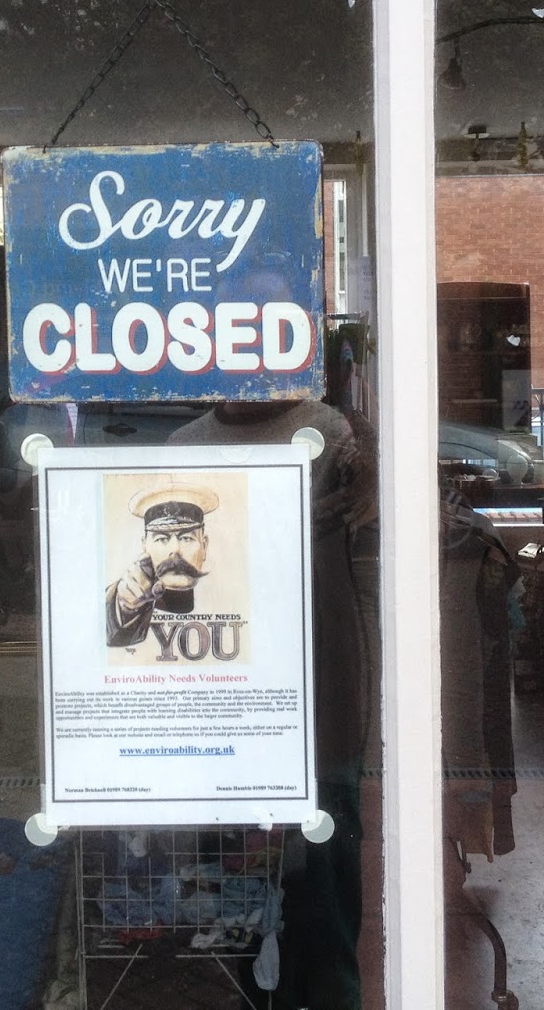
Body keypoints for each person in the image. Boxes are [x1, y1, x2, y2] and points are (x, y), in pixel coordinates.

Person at [171, 399, 375, 1010]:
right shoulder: (184, 448)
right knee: (240, 893)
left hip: (321, 689)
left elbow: (358, 561)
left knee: (327, 880)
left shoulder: (329, 433)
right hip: (224, 700)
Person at [104, 481, 219, 647]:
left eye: (187, 538)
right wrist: (124, 605)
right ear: (145, 547)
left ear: (204, 546)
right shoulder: (124, 597)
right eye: (161, 539)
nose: (175, 550)